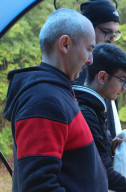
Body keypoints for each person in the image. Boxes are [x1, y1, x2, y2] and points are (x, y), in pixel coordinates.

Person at [3, 8, 108, 191]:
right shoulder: (43, 100)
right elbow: (38, 187)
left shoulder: (56, 91)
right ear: (65, 44)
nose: (91, 60)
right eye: (89, 49)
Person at [72, 43, 126, 192]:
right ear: (102, 76)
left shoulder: (93, 106)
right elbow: (104, 174)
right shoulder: (86, 113)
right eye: (122, 79)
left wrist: (108, 148)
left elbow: (92, 159)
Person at [73, 0, 123, 140]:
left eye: (115, 33)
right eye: (107, 32)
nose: (112, 39)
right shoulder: (75, 72)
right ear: (88, 29)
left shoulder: (106, 68)